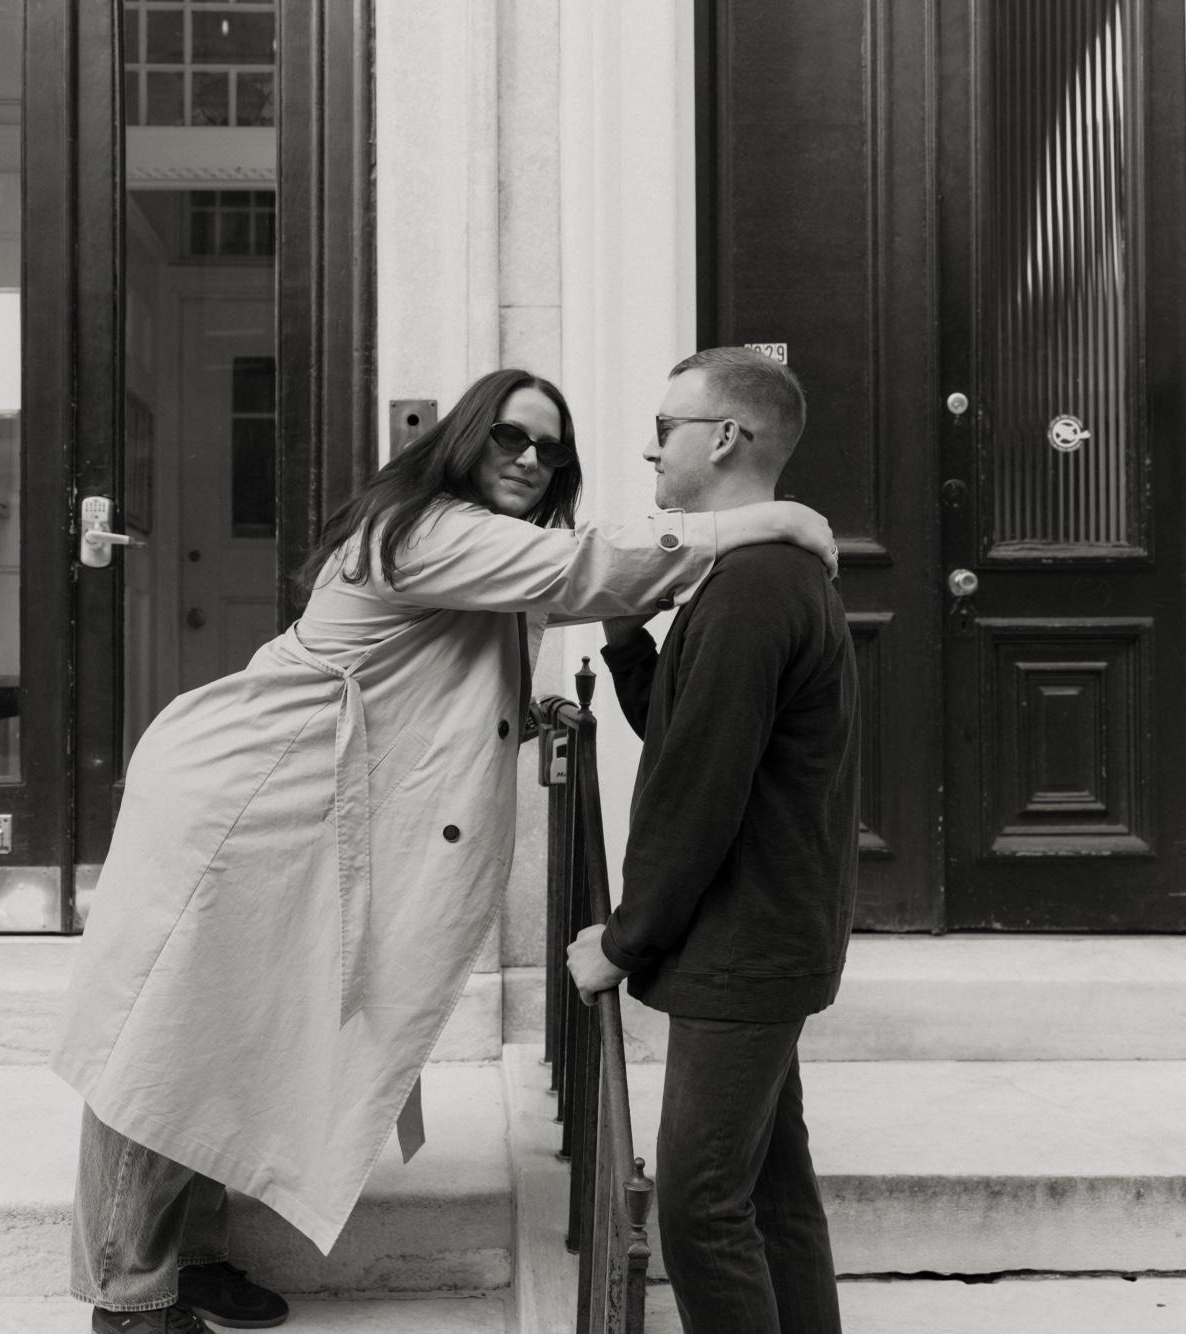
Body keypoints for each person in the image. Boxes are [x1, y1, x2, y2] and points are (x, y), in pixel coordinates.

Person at [51, 367, 839, 1334]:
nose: (531, 458)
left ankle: (195, 1258)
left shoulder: (490, 554)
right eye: (510, 436)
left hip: (304, 816)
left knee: (231, 1042)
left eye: (550, 448)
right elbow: (588, 568)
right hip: (241, 801)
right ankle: (127, 1297)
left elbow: (532, 612)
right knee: (166, 1043)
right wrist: (770, 519)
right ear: (464, 438)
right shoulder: (422, 527)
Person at [566, 347, 859, 1334]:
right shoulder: (754, 574)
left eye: (665, 429)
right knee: (771, 1196)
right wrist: (624, 634)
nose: (650, 451)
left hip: (746, 942)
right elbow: (690, 732)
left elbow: (695, 791)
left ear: (726, 436)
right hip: (767, 932)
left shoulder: (753, 586)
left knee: (699, 1210)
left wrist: (623, 941)